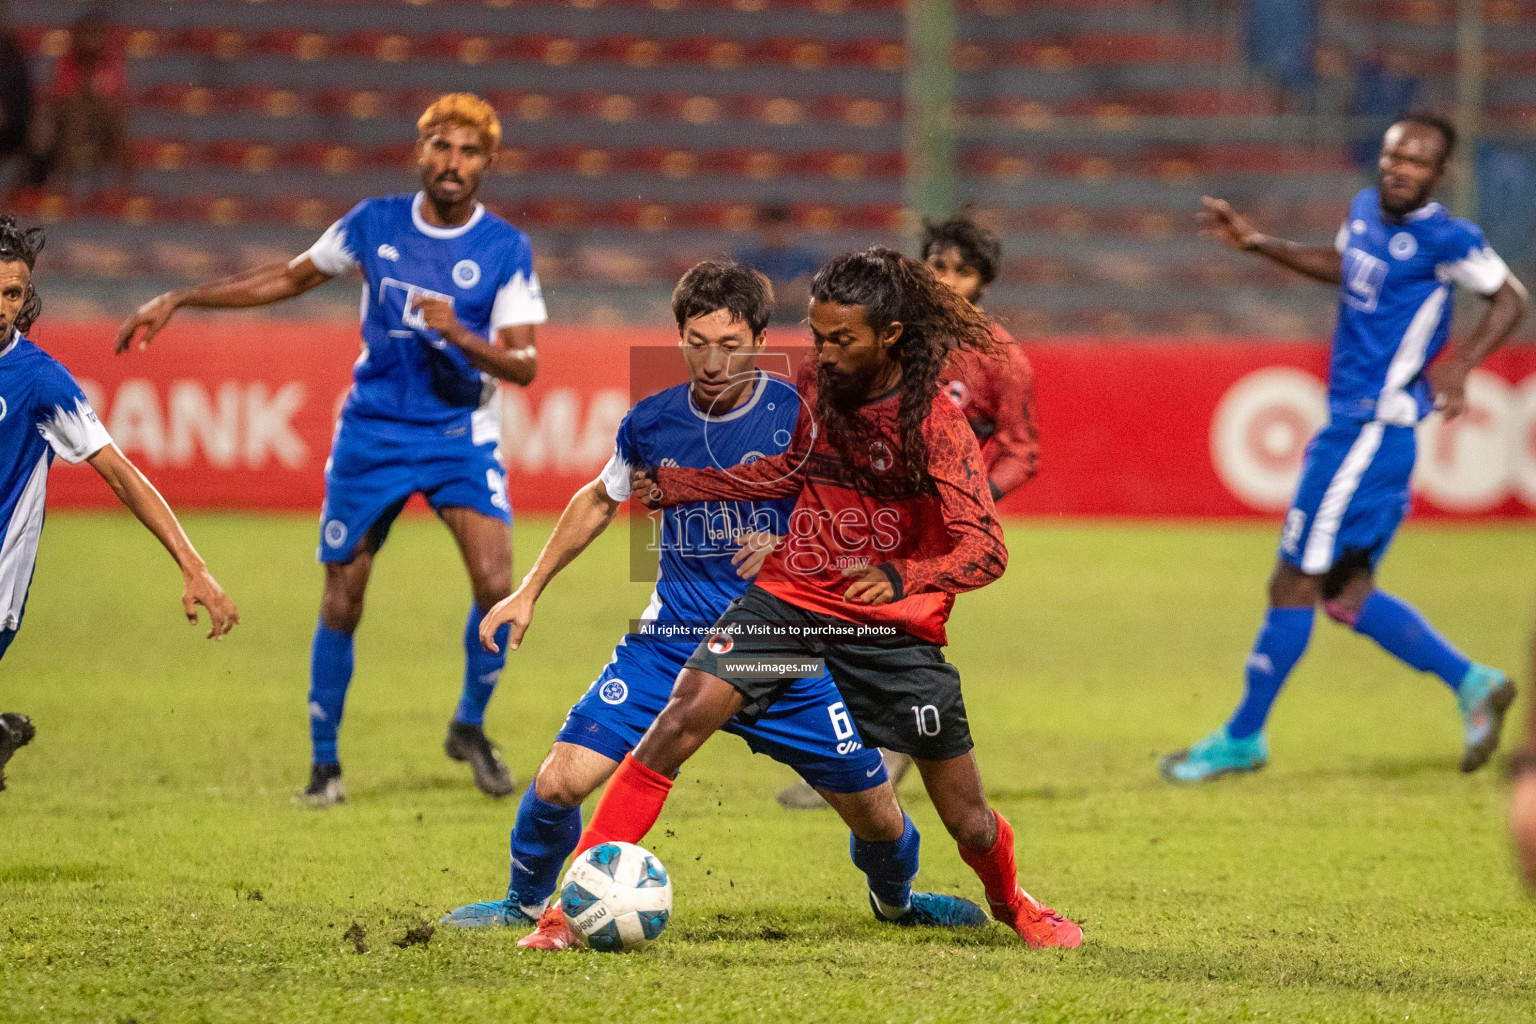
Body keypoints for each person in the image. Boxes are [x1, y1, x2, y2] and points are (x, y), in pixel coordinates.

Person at [440, 261, 989, 947]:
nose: (712, 359)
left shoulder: (806, 413)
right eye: (697, 341)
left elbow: (863, 511)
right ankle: (527, 905)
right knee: (559, 781)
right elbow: (597, 499)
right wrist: (527, 590)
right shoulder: (651, 421)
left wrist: (792, 541)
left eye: (730, 344)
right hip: (672, 640)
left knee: (878, 815)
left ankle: (897, 900)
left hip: (782, 645)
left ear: (760, 339)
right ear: (679, 336)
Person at [556, 248, 1083, 948]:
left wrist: (903, 577)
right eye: (818, 334)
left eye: (842, 339)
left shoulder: (933, 424)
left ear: (889, 335)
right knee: (678, 720)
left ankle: (1013, 901)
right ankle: (565, 914)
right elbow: (789, 468)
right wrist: (693, 487)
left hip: (891, 631)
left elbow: (985, 548)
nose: (824, 353)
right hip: (791, 604)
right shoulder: (819, 386)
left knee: (968, 821)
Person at [113, 94, 545, 806]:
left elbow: (525, 365)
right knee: (344, 596)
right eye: (441, 146)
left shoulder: (505, 248)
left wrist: (458, 335)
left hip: (457, 436)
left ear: (488, 164)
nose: (453, 162)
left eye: (469, 152)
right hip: (372, 432)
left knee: (497, 585)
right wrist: (184, 297)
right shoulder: (372, 223)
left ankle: (469, 725)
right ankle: (325, 765)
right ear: (420, 150)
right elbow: (291, 276)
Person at [1162, 114, 1528, 785]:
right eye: (1393, 155)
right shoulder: (1364, 211)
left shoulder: (1448, 237)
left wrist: (1465, 362)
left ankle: (1243, 737)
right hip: (1360, 431)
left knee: (1293, 579)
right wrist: (1258, 244)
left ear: (1439, 173)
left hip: (1368, 430)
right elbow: (1346, 267)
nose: (1400, 168)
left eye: (1417, 161)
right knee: (1345, 592)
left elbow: (1509, 297)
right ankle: (1473, 681)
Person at [776, 211, 1041, 809]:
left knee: (897, 636)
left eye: (962, 270)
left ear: (983, 282)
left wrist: (971, 504)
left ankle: (877, 771)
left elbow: (1023, 452)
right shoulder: (889, 334)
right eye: (937, 265)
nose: (947, 279)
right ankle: (855, 759)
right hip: (861, 510)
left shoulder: (1000, 358)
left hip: (932, 531)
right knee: (832, 623)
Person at [0, 215, 238, 792]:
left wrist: (193, 564)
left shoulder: (40, 381)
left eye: (12, 293)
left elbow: (120, 473)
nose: (1, 305)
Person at [29, 8, 132, 194]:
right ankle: (65, 182)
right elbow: (63, 98)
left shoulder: (111, 62)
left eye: (95, 35)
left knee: (116, 120)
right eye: (86, 34)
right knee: (72, 115)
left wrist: (93, 98)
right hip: (70, 123)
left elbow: (116, 99)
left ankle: (124, 188)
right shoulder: (67, 61)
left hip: (103, 123)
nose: (90, 41)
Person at [733, 203, 821, 326]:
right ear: (763, 229)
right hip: (762, 308)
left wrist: (794, 290)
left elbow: (812, 285)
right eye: (772, 229)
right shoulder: (748, 257)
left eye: (781, 229)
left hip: (795, 308)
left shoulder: (805, 257)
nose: (777, 234)